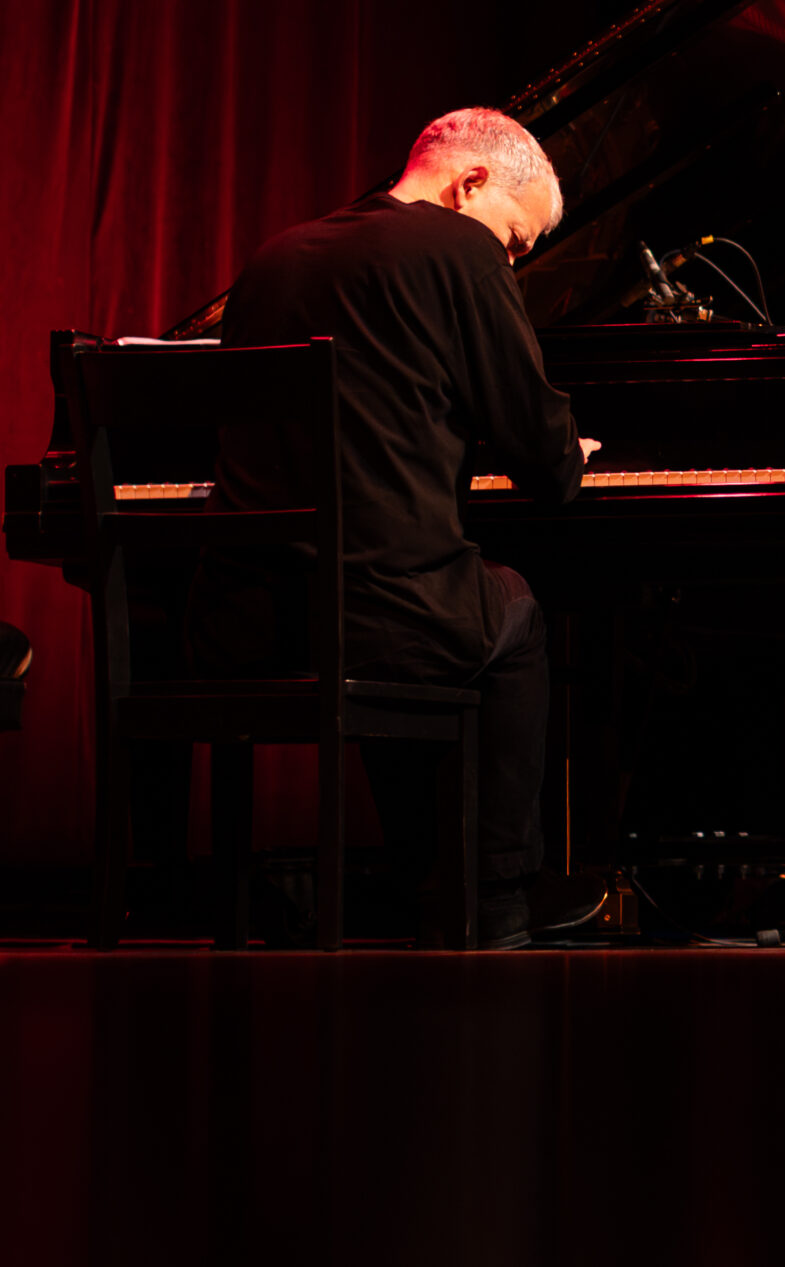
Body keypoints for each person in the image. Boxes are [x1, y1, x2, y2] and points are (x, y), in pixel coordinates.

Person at [192, 106, 598, 948]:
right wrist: (570, 447)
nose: (514, 261)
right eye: (517, 241)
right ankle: (496, 895)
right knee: (509, 608)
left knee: (424, 592)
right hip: (378, 619)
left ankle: (421, 877)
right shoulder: (459, 251)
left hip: (246, 619)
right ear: (473, 182)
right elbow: (547, 461)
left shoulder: (274, 257)